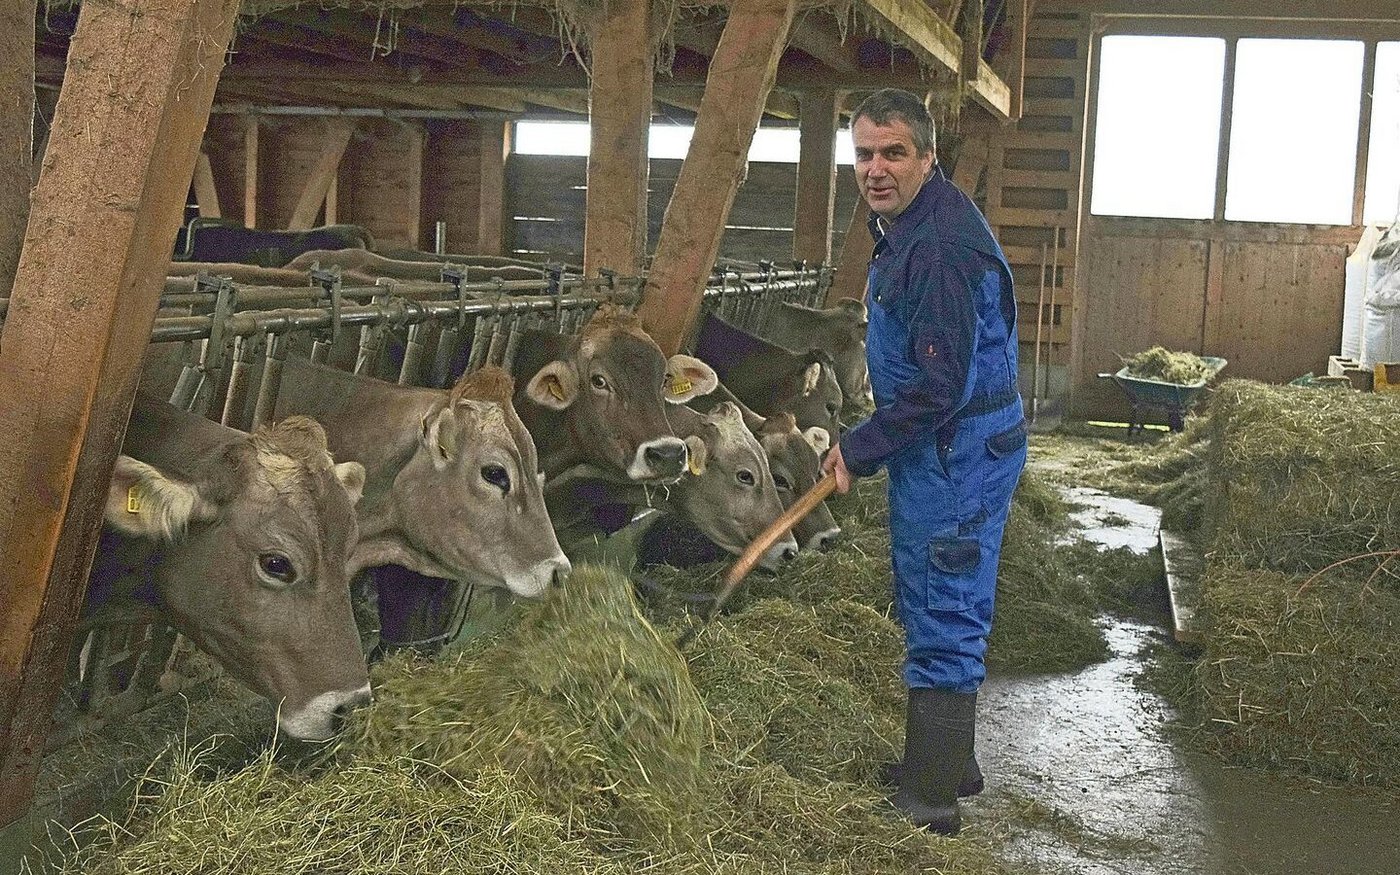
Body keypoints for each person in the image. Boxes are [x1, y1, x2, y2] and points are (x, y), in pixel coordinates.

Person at [821, 89, 1026, 836]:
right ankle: (947, 761)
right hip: (956, 440)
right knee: (943, 587)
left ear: (927, 156)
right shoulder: (913, 220)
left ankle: (931, 799)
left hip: (954, 448)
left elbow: (939, 386)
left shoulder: (937, 246)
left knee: (944, 599)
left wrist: (860, 445)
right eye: (865, 154)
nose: (876, 168)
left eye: (894, 152)